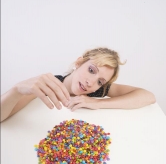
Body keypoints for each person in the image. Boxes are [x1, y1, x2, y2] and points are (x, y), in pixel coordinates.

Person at [1, 47, 156, 122]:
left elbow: (148, 96)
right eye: (91, 70)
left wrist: (97, 103)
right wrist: (16, 90)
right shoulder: (49, 85)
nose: (91, 82)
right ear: (79, 62)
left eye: (100, 81)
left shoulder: (96, 91)